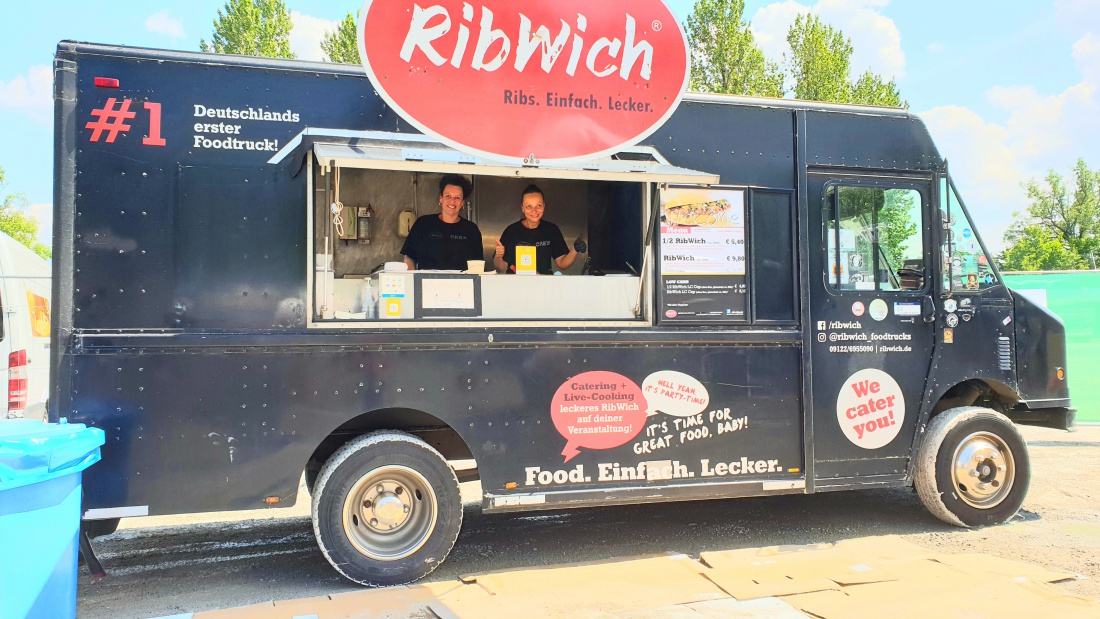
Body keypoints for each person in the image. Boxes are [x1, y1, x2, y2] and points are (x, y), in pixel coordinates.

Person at [494, 184, 586, 275]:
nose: (534, 211)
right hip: (516, 286)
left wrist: (575, 249)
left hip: (544, 286)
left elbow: (562, 263)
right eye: (528, 206)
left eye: (538, 205)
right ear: (522, 208)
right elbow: (500, 268)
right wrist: (498, 256)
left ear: (544, 206)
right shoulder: (512, 231)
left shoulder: (551, 230)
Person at [401, 175, 484, 271]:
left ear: (462, 203)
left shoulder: (471, 230)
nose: (452, 201)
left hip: (462, 285)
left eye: (457, 198)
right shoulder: (423, 224)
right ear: (441, 198)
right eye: (448, 196)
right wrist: (413, 281)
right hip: (426, 284)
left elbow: (478, 265)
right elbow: (409, 257)